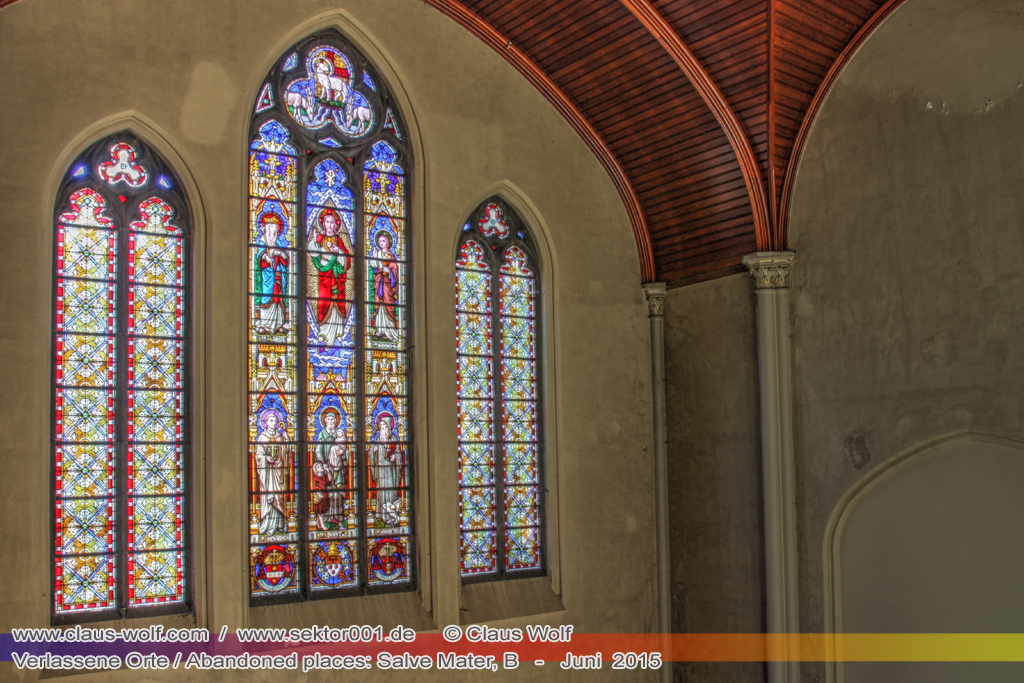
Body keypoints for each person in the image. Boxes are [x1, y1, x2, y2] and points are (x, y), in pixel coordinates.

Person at [308, 208, 352, 346]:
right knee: (324, 303)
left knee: (338, 304)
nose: (330, 225)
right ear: (323, 224)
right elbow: (313, 253)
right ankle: (323, 333)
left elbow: (347, 259)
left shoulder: (339, 239)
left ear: (336, 225)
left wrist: (338, 252)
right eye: (327, 222)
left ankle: (339, 334)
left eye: (332, 222)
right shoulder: (320, 238)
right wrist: (315, 241)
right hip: (325, 278)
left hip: (338, 279)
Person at [312, 407, 348, 531]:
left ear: (336, 421)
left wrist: (342, 453)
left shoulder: (340, 434)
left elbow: (345, 450)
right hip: (327, 468)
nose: (331, 422)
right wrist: (323, 463)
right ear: (325, 421)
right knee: (328, 494)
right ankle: (326, 519)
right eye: (329, 419)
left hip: (338, 469)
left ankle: (338, 519)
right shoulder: (322, 434)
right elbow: (318, 450)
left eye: (333, 419)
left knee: (338, 493)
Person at [255, 408, 289, 536]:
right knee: (269, 496)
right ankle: (267, 524)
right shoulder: (262, 437)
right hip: (267, 473)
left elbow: (285, 454)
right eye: (271, 420)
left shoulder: (280, 437)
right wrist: (265, 458)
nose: (274, 423)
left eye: (275, 420)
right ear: (266, 422)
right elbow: (258, 455)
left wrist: (286, 441)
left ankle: (280, 524)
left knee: (279, 497)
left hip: (278, 472)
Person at [254, 212, 289, 334]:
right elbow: (259, 255)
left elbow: (285, 259)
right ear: (266, 228)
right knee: (267, 297)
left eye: (276, 228)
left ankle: (279, 324)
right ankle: (265, 324)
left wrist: (281, 254)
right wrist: (265, 258)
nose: (274, 231)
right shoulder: (262, 242)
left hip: (279, 275)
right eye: (271, 227)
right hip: (268, 275)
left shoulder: (278, 243)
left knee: (279, 299)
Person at [369, 413, 403, 526]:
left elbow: (399, 453)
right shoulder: (378, 440)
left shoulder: (393, 439)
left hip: (391, 472)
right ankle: (381, 514)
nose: (383, 430)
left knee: (391, 493)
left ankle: (391, 515)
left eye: (385, 427)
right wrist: (373, 451)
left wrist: (395, 457)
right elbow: (371, 455)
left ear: (389, 428)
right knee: (382, 492)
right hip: (381, 472)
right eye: (381, 428)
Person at [369, 230, 400, 343]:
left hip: (388, 284)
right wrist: (375, 257)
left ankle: (390, 330)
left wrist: (390, 272)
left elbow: (395, 269)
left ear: (388, 243)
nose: (381, 243)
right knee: (380, 304)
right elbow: (374, 265)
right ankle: (380, 329)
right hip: (380, 282)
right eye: (379, 241)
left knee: (388, 305)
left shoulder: (391, 256)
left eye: (383, 241)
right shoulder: (378, 253)